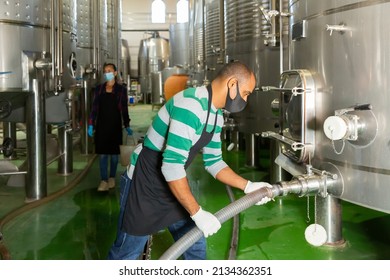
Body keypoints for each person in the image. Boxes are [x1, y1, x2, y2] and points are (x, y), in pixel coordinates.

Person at [108, 61, 272, 260]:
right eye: (246, 93)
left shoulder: (216, 115)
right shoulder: (192, 106)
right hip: (144, 184)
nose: (245, 99)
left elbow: (214, 162)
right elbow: (171, 166)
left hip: (172, 183)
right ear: (232, 84)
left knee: (194, 245)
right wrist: (197, 213)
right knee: (127, 252)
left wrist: (248, 186)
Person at [88, 63, 133, 192]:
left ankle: (112, 177)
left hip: (115, 126)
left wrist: (127, 124)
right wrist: (91, 123)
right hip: (102, 126)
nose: (107, 73)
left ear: (115, 73)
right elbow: (95, 108)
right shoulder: (99, 89)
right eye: (105, 71)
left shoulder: (121, 90)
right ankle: (103, 180)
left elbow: (124, 109)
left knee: (114, 155)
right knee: (102, 155)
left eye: (109, 70)